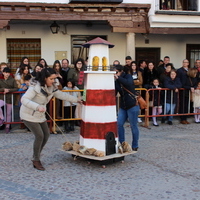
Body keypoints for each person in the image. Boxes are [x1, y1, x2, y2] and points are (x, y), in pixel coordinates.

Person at [20, 68, 82, 171]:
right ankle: (36, 160)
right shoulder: (35, 87)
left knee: (46, 134)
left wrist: (77, 100)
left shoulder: (52, 87)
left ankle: (36, 155)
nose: (53, 81)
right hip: (28, 115)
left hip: (40, 115)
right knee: (39, 135)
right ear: (45, 78)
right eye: (51, 79)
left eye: (54, 79)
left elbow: (62, 95)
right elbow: (24, 99)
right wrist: (37, 107)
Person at [114, 65, 140, 151]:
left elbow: (128, 83)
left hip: (132, 104)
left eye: (116, 72)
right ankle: (122, 143)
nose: (115, 74)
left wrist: (118, 78)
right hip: (123, 106)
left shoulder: (128, 76)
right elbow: (114, 92)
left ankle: (135, 145)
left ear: (121, 71)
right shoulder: (117, 81)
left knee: (133, 125)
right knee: (119, 124)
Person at [0, 67, 18, 133]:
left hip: (10, 98)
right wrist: (3, 89)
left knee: (8, 113)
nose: (7, 74)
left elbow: (16, 88)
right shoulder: (0, 80)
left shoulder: (12, 80)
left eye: (8, 73)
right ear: (3, 73)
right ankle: (1, 118)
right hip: (2, 97)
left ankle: (7, 127)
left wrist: (9, 90)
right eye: (5, 72)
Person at [177, 59, 192, 124]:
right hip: (182, 89)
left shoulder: (190, 70)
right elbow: (178, 79)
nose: (185, 63)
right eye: (184, 62)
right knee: (182, 104)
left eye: (186, 62)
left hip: (188, 89)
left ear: (188, 63)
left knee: (187, 104)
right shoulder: (179, 70)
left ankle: (185, 117)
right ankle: (182, 118)